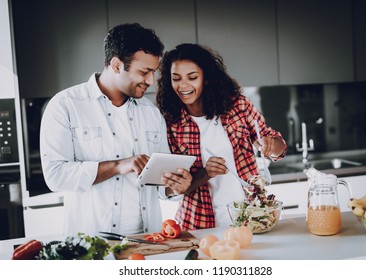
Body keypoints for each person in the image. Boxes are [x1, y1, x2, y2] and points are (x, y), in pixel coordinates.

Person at [40, 23, 192, 236]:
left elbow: (159, 183)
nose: (151, 81)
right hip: (92, 245)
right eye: (144, 72)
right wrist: (119, 166)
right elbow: (55, 176)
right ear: (116, 65)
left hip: (148, 241)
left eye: (153, 72)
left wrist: (175, 186)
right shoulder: (66, 105)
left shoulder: (151, 113)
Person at [156, 43, 287, 230]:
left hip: (251, 219)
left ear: (206, 79)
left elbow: (278, 147)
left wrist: (270, 145)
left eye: (192, 77)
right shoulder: (170, 124)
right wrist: (205, 174)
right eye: (176, 78)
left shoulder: (237, 106)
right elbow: (173, 189)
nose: (183, 85)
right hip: (199, 225)